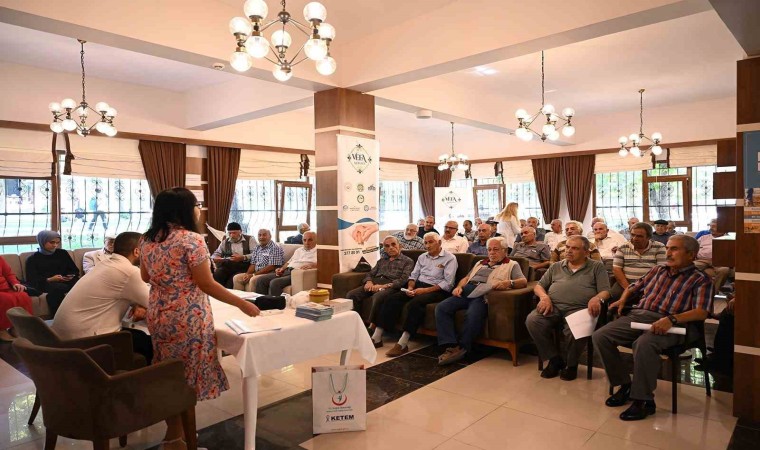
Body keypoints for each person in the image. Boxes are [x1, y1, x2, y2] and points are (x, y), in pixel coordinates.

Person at [140, 187, 258, 448]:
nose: (198, 210)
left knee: (171, 374)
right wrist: (241, 303)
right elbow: (206, 283)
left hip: (159, 314)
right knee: (187, 379)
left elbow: (145, 277)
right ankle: (176, 439)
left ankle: (178, 435)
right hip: (188, 316)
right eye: (196, 205)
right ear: (184, 209)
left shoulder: (147, 239)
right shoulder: (191, 240)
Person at [593, 235, 712, 421]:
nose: (668, 253)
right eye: (668, 248)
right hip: (640, 316)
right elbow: (634, 286)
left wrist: (672, 319)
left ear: (691, 254)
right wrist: (623, 299)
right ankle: (625, 384)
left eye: (674, 249)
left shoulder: (701, 279)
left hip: (675, 324)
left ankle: (643, 400)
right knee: (601, 336)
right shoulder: (658, 270)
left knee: (644, 344)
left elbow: (701, 312)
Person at [52, 232, 153, 363]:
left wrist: (137, 304)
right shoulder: (128, 271)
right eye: (147, 249)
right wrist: (142, 305)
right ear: (137, 251)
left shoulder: (106, 264)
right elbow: (154, 303)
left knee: (139, 336)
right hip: (85, 340)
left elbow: (123, 292)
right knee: (150, 343)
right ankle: (151, 374)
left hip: (64, 336)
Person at [527, 236, 610, 381]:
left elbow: (606, 291)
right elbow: (539, 286)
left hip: (580, 309)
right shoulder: (556, 266)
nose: (569, 251)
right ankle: (554, 359)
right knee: (533, 321)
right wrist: (544, 297)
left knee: (575, 329)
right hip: (553, 306)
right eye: (567, 247)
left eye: (575, 248)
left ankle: (571, 365)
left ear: (586, 252)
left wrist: (597, 298)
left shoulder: (596, 267)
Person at [436, 237, 527, 365]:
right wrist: (459, 287)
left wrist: (509, 283)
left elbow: (523, 281)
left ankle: (462, 347)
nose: (492, 252)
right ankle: (450, 345)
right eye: (489, 249)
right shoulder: (480, 262)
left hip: (483, 295)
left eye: (496, 249)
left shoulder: (512, 264)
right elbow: (466, 278)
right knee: (442, 307)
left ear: (505, 250)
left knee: (473, 314)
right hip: (465, 292)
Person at [373, 232, 457, 357]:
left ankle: (403, 343)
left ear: (439, 243)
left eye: (431, 242)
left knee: (415, 304)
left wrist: (425, 291)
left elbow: (448, 283)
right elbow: (413, 276)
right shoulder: (422, 257)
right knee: (392, 298)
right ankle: (377, 337)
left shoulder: (449, 258)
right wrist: (410, 288)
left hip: (438, 290)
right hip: (418, 286)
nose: (427, 245)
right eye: (425, 243)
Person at [351, 236, 414, 342]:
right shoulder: (382, 260)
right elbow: (370, 273)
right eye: (387, 246)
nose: (391, 248)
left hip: (391, 286)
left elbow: (403, 280)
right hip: (374, 283)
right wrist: (368, 281)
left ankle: (371, 328)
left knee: (378, 297)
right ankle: (358, 325)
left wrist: (383, 286)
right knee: (352, 295)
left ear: (400, 246)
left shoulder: (407, 261)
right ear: (384, 249)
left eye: (393, 244)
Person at [24, 230, 80, 318]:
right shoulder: (32, 259)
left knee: (81, 284)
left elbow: (74, 270)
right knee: (57, 289)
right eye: (52, 242)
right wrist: (50, 279)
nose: (55, 245)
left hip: (65, 281)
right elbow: (31, 279)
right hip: (45, 283)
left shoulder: (62, 253)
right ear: (42, 241)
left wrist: (69, 276)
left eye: (57, 242)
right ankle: (60, 317)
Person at [610, 222, 666, 301]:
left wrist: (648, 286)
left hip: (650, 283)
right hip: (627, 282)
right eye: (633, 235)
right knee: (614, 295)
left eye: (639, 236)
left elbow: (661, 269)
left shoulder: (659, 247)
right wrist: (628, 289)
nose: (635, 238)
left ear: (649, 237)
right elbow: (617, 269)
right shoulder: (623, 247)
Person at [254, 231, 317, 296]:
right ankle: (261, 302)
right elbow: (288, 262)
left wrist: (313, 265)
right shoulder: (299, 250)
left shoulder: (319, 251)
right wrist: (281, 269)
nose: (307, 242)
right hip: (286, 271)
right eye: (304, 240)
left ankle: (277, 303)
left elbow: (322, 264)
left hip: (296, 274)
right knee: (261, 280)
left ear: (316, 240)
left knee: (275, 283)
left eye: (310, 240)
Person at [211, 222, 257, 288]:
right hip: (228, 266)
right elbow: (216, 254)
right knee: (217, 274)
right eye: (230, 233)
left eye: (234, 233)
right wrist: (216, 258)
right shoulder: (225, 242)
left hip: (243, 267)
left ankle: (227, 293)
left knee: (230, 283)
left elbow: (256, 254)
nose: (232, 235)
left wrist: (243, 257)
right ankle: (216, 292)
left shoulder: (250, 239)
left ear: (240, 231)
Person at [0, 256, 33, 342]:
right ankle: (2, 330)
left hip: (5, 288)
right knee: (5, 299)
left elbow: (9, 274)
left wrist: (15, 283)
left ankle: (16, 327)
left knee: (23, 296)